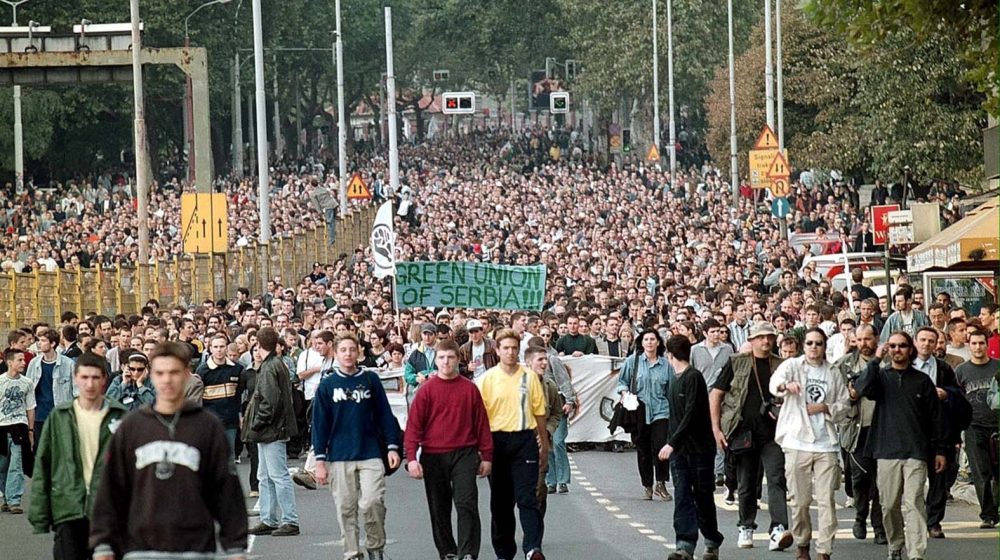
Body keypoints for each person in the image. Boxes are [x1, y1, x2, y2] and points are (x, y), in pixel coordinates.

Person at [88, 341, 247, 559]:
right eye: (160, 373)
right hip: (140, 548)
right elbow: (111, 488)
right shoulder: (132, 426)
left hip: (195, 547)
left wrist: (236, 547)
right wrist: (103, 544)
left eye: (174, 372)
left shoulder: (208, 427)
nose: (167, 380)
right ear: (151, 375)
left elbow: (226, 489)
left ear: (186, 374)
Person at [854, 331, 947, 560]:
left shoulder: (922, 380)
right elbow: (862, 388)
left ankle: (916, 553)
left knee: (914, 502)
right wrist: (876, 359)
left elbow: (936, 418)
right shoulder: (881, 376)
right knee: (888, 504)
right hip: (886, 451)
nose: (897, 350)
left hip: (917, 451)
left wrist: (940, 451)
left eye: (902, 346)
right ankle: (895, 545)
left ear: (910, 349)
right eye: (893, 346)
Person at [29, 353, 128, 560]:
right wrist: (40, 514)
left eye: (95, 377)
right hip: (70, 508)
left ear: (104, 380)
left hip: (109, 510)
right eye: (84, 377)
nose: (89, 384)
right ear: (75, 378)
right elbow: (44, 464)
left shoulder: (120, 416)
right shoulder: (60, 416)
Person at [312, 333, 401, 560]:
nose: (348, 354)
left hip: (370, 452)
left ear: (359, 351)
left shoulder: (370, 380)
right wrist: (319, 461)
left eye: (352, 349)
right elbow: (320, 424)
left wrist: (392, 447)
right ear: (336, 353)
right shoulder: (327, 385)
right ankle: (352, 553)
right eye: (343, 350)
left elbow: (385, 415)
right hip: (339, 456)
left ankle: (376, 548)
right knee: (345, 509)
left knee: (372, 502)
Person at [405, 339, 493, 560]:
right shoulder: (426, 391)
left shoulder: (469, 389)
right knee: (439, 508)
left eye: (450, 357)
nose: (446, 362)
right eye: (442, 357)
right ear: (436, 360)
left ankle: (468, 552)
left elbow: (481, 424)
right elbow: (414, 426)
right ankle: (448, 551)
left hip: (464, 452)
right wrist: (412, 458)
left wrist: (487, 456)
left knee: (467, 503)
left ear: (457, 359)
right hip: (433, 455)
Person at [769, 328, 852, 560]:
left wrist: (826, 408)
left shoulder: (833, 372)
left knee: (826, 500)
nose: (814, 347)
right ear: (803, 346)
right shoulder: (792, 366)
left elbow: (844, 404)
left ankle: (824, 550)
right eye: (810, 343)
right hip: (797, 441)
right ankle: (802, 543)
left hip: (826, 444)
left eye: (818, 343)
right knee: (800, 500)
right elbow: (774, 383)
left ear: (825, 346)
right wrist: (786, 387)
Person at [710, 321, 792, 551]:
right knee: (746, 483)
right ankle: (746, 526)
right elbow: (716, 394)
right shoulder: (737, 362)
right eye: (761, 337)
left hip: (773, 433)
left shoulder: (781, 364)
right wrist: (716, 428)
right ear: (752, 339)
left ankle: (778, 528)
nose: (766, 341)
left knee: (776, 478)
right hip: (743, 431)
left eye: (770, 337)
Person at [476, 328, 549, 560]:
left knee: (528, 497)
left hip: (524, 440)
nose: (510, 352)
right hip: (496, 441)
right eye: (505, 348)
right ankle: (504, 552)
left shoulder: (529, 377)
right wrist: (482, 450)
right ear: (497, 351)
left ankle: (532, 548)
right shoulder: (487, 379)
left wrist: (544, 446)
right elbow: (480, 417)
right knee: (501, 502)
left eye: (514, 348)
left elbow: (539, 412)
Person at [657, 335, 723, 560]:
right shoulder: (674, 379)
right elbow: (674, 418)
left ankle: (712, 539)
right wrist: (672, 443)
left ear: (670, 355)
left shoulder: (693, 377)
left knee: (702, 497)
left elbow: (690, 414)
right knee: (683, 496)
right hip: (681, 452)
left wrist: (671, 443)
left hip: (700, 450)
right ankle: (684, 544)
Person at [243, 327, 300, 537]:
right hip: (275, 428)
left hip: (271, 430)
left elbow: (269, 402)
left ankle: (289, 519)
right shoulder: (277, 364)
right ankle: (269, 518)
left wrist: (256, 424)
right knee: (266, 475)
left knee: (277, 475)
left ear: (258, 345)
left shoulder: (268, 368)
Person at [911, 326, 967, 539]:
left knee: (939, 478)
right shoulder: (905, 366)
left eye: (931, 341)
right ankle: (916, 519)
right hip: (912, 430)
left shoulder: (943, 369)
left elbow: (959, 395)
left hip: (939, 430)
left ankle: (934, 521)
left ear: (936, 345)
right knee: (912, 479)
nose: (926, 344)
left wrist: (947, 394)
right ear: (915, 342)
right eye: (922, 340)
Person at [833, 324, 886, 544]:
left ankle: (879, 526)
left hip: (883, 429)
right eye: (859, 340)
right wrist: (850, 395)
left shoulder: (889, 362)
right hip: (856, 429)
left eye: (868, 339)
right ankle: (860, 515)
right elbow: (834, 396)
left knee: (882, 481)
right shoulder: (844, 365)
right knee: (859, 477)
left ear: (876, 339)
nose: (864, 344)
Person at [616, 328, 674, 501]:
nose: (649, 342)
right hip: (639, 411)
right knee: (643, 449)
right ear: (641, 343)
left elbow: (671, 390)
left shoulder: (666, 365)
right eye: (646, 339)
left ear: (658, 342)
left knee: (660, 447)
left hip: (661, 410)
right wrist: (624, 393)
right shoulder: (632, 362)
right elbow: (621, 382)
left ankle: (661, 483)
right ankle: (647, 485)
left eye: (652, 339)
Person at [954, 330, 998, 529]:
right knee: (981, 473)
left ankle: (996, 507)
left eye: (981, 343)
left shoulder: (997, 367)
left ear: (987, 345)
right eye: (974, 343)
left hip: (997, 427)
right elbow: (956, 401)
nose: (978, 347)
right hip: (973, 427)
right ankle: (988, 514)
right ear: (969, 345)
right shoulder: (962, 371)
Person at [689, 318, 733, 486]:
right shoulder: (695, 350)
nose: (716, 335)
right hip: (701, 397)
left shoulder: (727, 349)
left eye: (719, 331)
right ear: (705, 333)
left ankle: (719, 471)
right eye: (713, 332)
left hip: (722, 397)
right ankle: (703, 468)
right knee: (702, 434)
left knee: (719, 432)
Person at [524, 345, 563, 515]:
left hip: (541, 445)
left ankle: (534, 532)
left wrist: (547, 430)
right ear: (528, 362)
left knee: (539, 489)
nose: (544, 363)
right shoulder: (518, 385)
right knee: (521, 492)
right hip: (520, 442)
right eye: (540, 359)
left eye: (545, 359)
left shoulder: (550, 386)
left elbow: (556, 413)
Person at [196, 334, 246, 455]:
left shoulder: (237, 369)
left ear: (226, 348)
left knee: (229, 457)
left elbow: (238, 394)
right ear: (210, 348)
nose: (219, 349)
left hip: (230, 421)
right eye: (216, 346)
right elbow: (198, 397)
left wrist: (240, 415)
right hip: (210, 422)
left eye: (222, 346)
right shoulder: (203, 371)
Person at [25, 329, 76, 444]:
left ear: (52, 344)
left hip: (60, 415)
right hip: (39, 416)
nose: (39, 343)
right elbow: (28, 390)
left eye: (43, 341)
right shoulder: (34, 363)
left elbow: (76, 392)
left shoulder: (68, 364)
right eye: (39, 340)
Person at [0, 347, 35, 514]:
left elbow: (30, 408)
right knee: (2, 466)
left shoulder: (27, 383)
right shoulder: (0, 382)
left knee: (17, 465)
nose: (24, 362)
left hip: (19, 426)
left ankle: (14, 499)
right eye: (20, 360)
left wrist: (30, 430)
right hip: (1, 426)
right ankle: (5, 498)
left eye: (24, 360)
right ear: (9, 362)